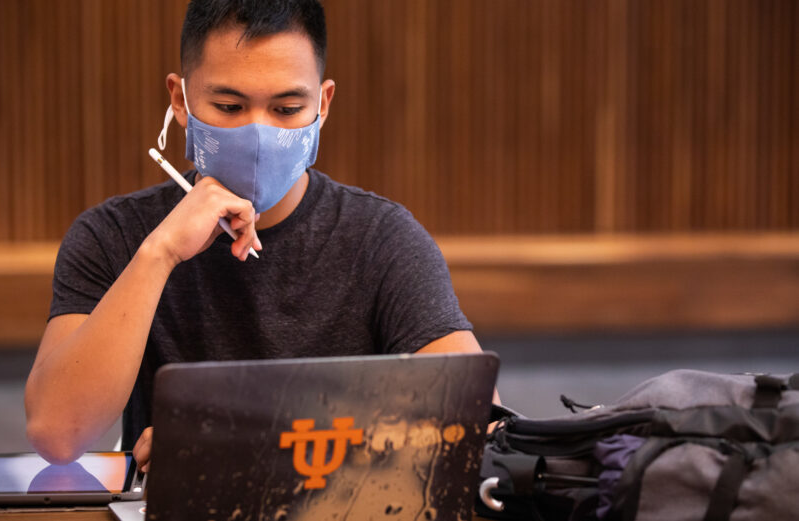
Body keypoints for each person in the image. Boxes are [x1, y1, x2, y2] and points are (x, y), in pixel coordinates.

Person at [24, 0, 492, 471]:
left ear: (323, 105)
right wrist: (160, 254)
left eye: (288, 109)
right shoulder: (113, 236)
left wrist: (236, 439)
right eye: (229, 106)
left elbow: (478, 425)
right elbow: (58, 434)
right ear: (181, 101)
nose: (259, 133)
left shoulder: (381, 239)